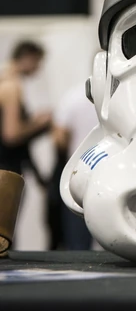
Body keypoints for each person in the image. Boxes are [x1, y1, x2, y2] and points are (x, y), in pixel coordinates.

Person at [51, 79, 98, 250]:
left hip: (79, 171)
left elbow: (59, 139)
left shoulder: (73, 96)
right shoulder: (121, 95)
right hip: (114, 171)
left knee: (77, 241)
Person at [0, 40, 52, 176]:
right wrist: (38, 123)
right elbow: (11, 134)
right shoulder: (11, 87)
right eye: (38, 62)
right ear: (28, 58)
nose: (38, 68)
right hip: (6, 169)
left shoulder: (4, 80)